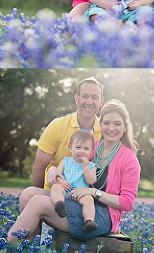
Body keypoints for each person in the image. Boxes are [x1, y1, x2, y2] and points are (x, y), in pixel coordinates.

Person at [7, 99, 140, 243]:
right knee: (28, 194)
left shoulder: (129, 160)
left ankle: (4, 250)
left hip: (101, 215)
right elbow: (70, 168)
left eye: (117, 124)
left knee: (38, 202)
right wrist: (53, 170)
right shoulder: (91, 148)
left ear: (125, 127)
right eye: (106, 123)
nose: (111, 128)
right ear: (100, 125)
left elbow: (127, 202)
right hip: (76, 197)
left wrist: (94, 192)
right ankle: (28, 247)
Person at [17, 77, 105, 235]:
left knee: (38, 201)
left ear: (101, 101)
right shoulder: (57, 125)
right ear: (76, 99)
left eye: (95, 97)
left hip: (83, 193)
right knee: (28, 195)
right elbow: (39, 167)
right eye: (85, 96)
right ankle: (32, 243)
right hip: (56, 190)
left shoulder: (105, 131)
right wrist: (44, 192)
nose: (89, 101)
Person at [49, 131, 98, 234]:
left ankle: (89, 221)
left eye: (86, 149)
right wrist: (61, 181)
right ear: (70, 148)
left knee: (89, 199)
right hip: (65, 189)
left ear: (91, 151)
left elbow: (91, 180)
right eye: (78, 147)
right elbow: (57, 174)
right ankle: (59, 204)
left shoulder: (91, 165)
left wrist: (85, 166)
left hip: (80, 194)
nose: (82, 151)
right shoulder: (65, 161)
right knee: (55, 188)